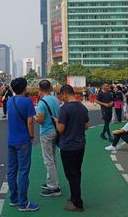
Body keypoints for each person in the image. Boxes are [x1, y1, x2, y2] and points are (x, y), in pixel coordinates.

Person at [54, 84, 89, 212]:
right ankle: (75, 196)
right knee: (77, 172)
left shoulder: (64, 108)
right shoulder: (82, 107)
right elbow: (87, 126)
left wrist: (57, 121)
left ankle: (77, 203)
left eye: (60, 95)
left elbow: (61, 129)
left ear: (65, 94)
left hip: (68, 146)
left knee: (71, 174)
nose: (60, 98)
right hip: (80, 145)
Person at [6, 77, 39, 212]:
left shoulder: (9, 101)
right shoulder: (27, 102)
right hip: (23, 140)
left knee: (12, 170)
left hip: (11, 140)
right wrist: (32, 136)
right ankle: (23, 203)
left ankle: (14, 199)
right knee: (23, 171)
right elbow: (30, 122)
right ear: (25, 88)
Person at [34, 79, 61, 197]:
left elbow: (40, 120)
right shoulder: (55, 99)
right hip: (55, 131)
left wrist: (34, 117)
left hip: (46, 132)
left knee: (48, 159)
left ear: (40, 89)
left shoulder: (42, 102)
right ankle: (53, 182)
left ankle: (53, 187)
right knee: (53, 158)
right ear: (50, 88)